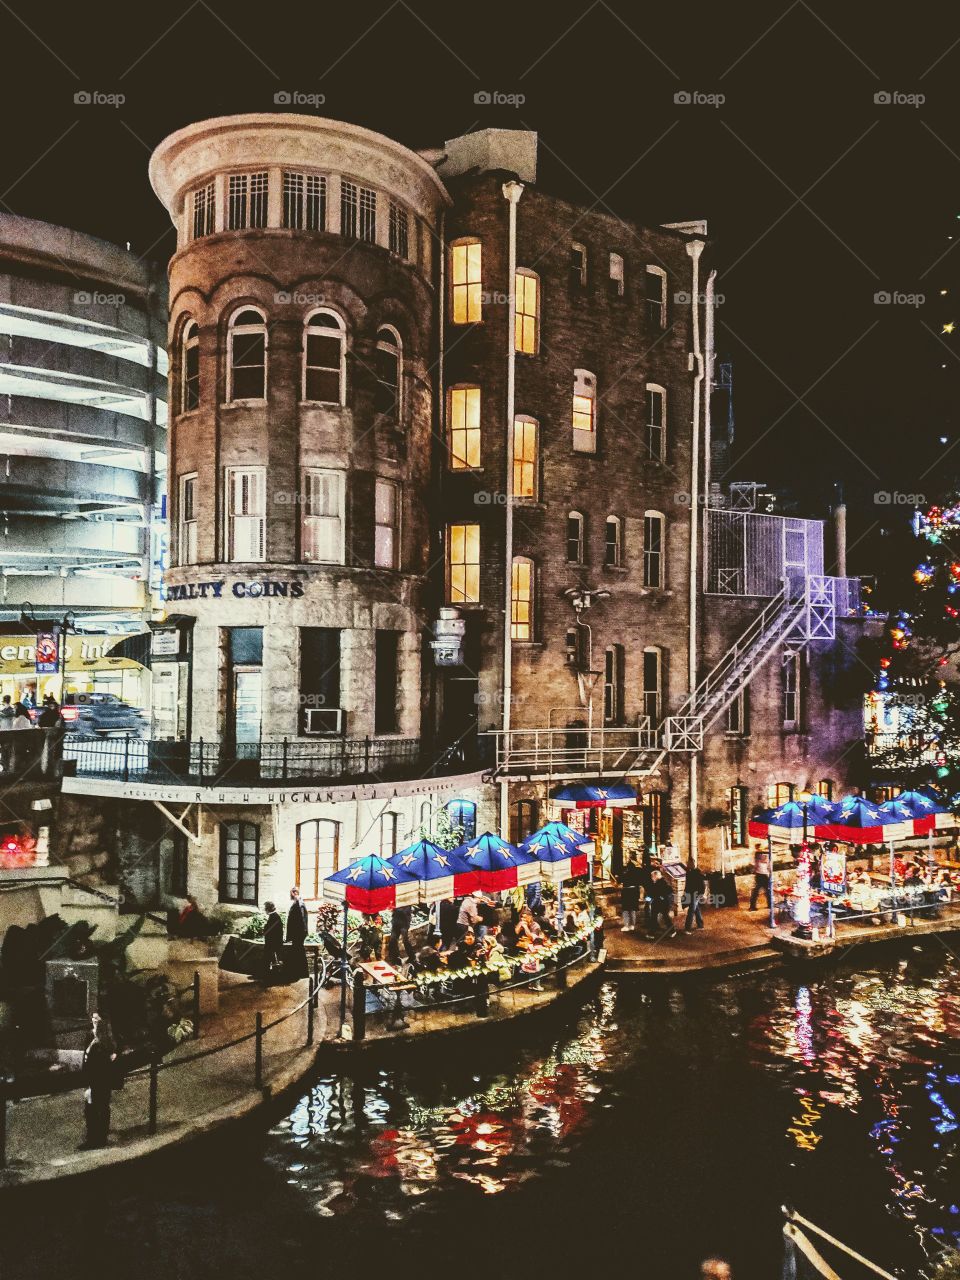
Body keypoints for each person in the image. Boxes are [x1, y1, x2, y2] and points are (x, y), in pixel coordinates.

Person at [79, 1012, 116, 1150]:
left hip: (99, 1080)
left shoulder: (103, 1041)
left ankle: (97, 1138)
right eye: (93, 1018)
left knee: (98, 1107)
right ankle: (96, 1137)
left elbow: (101, 1063)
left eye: (97, 1019)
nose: (94, 1021)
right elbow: (86, 1057)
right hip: (93, 1080)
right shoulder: (91, 1037)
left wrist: (90, 1085)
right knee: (94, 1107)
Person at [286, 886, 309, 978]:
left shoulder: (299, 903)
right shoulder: (298, 902)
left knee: (299, 952)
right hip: (299, 933)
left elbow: (301, 919)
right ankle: (299, 973)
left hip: (298, 933)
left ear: (294, 893)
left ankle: (301, 973)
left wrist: (297, 933)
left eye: (291, 893)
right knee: (298, 952)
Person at [618, 853, 643, 932]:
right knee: (632, 910)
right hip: (635, 892)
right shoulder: (638, 873)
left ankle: (626, 925)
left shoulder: (625, 874)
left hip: (627, 892)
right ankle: (632, 925)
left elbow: (619, 883)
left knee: (626, 910)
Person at [649, 869, 676, 936]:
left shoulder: (662, 882)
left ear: (656, 876)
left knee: (662, 917)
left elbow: (656, 893)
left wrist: (661, 897)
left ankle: (653, 932)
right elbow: (654, 893)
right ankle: (653, 931)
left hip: (663, 903)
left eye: (652, 877)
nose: (652, 878)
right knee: (659, 916)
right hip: (660, 902)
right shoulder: (661, 882)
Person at [262, 900, 284, 979]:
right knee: (270, 960)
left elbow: (271, 931)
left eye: (265, 908)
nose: (265, 910)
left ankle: (270, 977)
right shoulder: (274, 916)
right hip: (273, 942)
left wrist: (265, 930)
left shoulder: (274, 917)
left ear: (268, 909)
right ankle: (269, 976)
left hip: (273, 943)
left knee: (271, 960)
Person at [684, 859, 707, 931]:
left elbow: (702, 885)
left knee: (691, 911)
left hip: (696, 894)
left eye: (688, 864)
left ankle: (687, 929)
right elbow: (688, 884)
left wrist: (701, 894)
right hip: (692, 894)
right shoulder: (689, 872)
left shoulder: (697, 873)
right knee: (696, 909)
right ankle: (700, 925)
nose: (687, 865)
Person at [749, 843, 771, 911]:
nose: (759, 849)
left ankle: (770, 904)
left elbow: (768, 865)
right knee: (756, 891)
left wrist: (769, 872)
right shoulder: (756, 854)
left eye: (760, 847)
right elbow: (753, 864)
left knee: (768, 890)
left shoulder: (765, 854)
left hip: (765, 874)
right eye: (758, 847)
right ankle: (752, 906)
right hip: (759, 874)